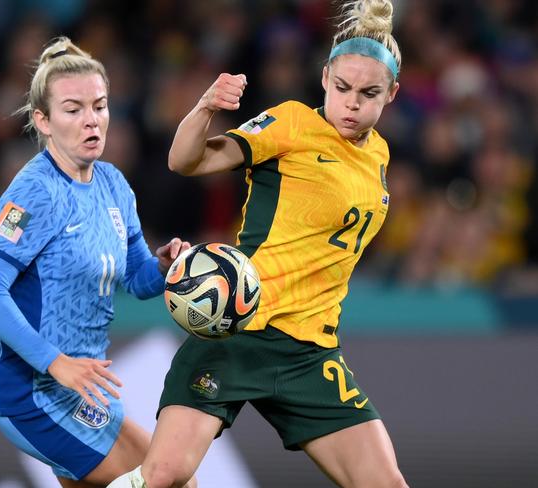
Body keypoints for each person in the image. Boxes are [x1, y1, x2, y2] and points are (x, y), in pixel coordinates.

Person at [109, 0, 408, 487]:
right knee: (165, 477)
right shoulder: (291, 124)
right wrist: (206, 107)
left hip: (310, 352)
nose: (352, 103)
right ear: (324, 77)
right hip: (238, 327)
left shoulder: (378, 153)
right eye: (342, 88)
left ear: (392, 93)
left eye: (369, 93)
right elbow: (186, 162)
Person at [0, 37, 194, 487]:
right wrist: (55, 362)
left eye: (100, 106)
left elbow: (136, 277)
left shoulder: (113, 185)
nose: (92, 120)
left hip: (84, 387)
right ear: (43, 121)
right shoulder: (34, 192)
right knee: (169, 479)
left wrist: (164, 266)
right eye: (73, 110)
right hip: (33, 393)